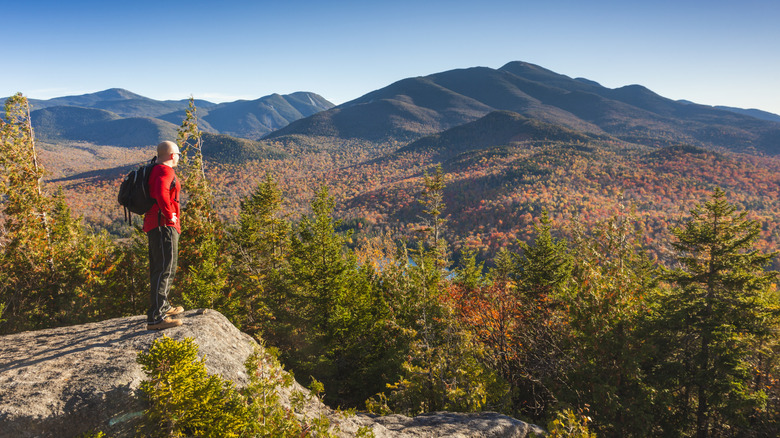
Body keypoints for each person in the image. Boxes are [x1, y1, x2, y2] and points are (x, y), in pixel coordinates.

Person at [145, 141, 184, 330]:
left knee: (159, 268)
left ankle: (163, 306)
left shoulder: (154, 169)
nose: (178, 157)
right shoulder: (165, 171)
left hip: (155, 225)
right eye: (178, 154)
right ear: (171, 155)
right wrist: (170, 215)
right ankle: (156, 317)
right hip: (163, 226)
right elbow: (161, 192)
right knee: (165, 269)